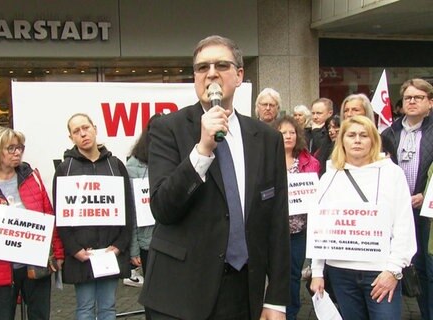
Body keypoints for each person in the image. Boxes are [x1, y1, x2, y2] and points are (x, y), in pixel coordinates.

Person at [139, 35, 290, 320]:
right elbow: (163, 208)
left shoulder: (267, 139)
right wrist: (202, 150)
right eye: (202, 67)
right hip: (179, 293)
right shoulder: (167, 129)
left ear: (239, 75)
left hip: (242, 290)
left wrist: (277, 299)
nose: (211, 73)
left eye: (221, 65)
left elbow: (277, 221)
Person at [310, 115, 416, 319]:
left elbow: (403, 224)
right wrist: (317, 271)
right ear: (342, 141)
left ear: (374, 140)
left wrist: (393, 270)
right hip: (340, 272)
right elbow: (320, 226)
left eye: (363, 135)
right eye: (351, 135)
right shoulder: (328, 177)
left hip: (380, 272)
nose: (357, 140)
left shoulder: (392, 174)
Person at [0, 127, 64, 320]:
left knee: (40, 315)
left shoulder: (31, 177)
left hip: (35, 264)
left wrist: (57, 252)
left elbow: (49, 217)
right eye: (11, 148)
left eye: (20, 148)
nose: (17, 152)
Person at [54, 113, 133, 320]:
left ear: (95, 129)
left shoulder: (115, 165)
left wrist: (120, 245)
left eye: (86, 128)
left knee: (108, 308)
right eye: (76, 131)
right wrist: (74, 249)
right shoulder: (65, 169)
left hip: (110, 251)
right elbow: (60, 216)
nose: (83, 134)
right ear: (71, 137)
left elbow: (128, 209)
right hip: (81, 254)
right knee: (85, 308)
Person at [381, 78, 433, 320]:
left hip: (427, 212)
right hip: (396, 212)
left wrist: (426, 195)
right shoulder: (389, 131)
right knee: (398, 264)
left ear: (430, 103)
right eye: (408, 98)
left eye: (418, 97)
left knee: (426, 267)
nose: (412, 102)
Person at [274, 116, 319, 320]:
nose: (288, 136)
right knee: (273, 275)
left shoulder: (310, 162)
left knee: (293, 275)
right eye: (283, 132)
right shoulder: (265, 160)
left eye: (292, 132)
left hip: (298, 231)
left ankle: (291, 313)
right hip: (272, 230)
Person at [124, 114, 161, 288]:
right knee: (153, 293)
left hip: (177, 239)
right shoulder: (134, 165)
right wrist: (134, 249)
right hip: (148, 243)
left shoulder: (180, 158)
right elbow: (130, 211)